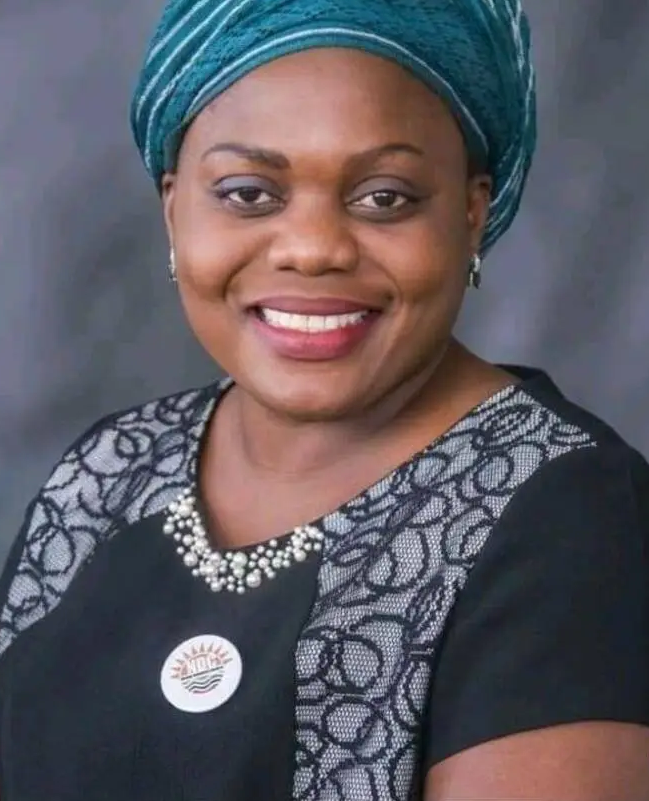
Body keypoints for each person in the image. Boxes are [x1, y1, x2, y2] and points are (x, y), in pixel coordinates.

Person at [0, 0, 647, 798]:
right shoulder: (105, 472)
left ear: (470, 211)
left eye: (384, 197)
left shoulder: (566, 513)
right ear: (174, 209)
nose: (312, 249)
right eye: (248, 192)